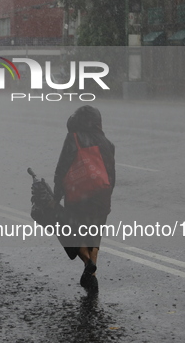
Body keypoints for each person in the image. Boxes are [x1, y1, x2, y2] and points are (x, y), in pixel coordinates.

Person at [53, 105, 116, 293]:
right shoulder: (106, 143)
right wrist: (107, 195)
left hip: (78, 196)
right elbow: (111, 174)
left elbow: (62, 167)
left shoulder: (73, 138)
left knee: (71, 232)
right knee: (94, 234)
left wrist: (56, 196)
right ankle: (92, 274)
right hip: (101, 197)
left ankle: (88, 262)